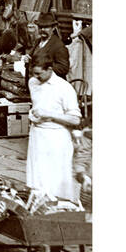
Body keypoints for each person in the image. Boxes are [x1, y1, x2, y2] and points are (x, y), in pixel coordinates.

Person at [26, 60, 82, 201]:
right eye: (33, 73)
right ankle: (38, 207)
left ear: (49, 69)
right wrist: (33, 113)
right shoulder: (33, 82)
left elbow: (75, 120)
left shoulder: (64, 88)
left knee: (55, 180)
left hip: (56, 137)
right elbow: (36, 104)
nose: (36, 77)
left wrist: (49, 114)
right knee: (37, 177)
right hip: (37, 135)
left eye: (39, 73)